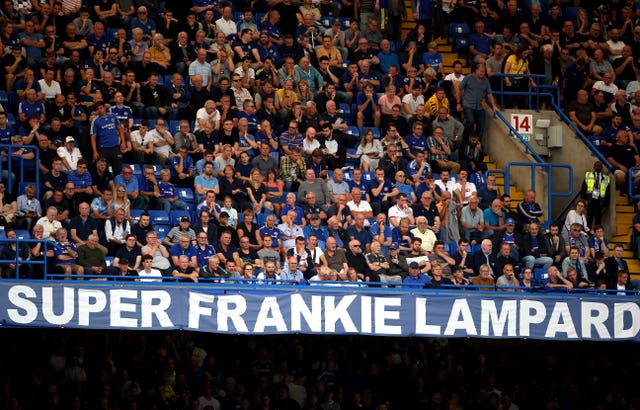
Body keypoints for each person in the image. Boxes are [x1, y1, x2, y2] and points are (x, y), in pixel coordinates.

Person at [455, 64, 497, 139]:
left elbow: (489, 94)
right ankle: (465, 137)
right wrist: (458, 103)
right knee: (470, 121)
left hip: (479, 106)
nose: (482, 73)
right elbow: (459, 88)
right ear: (476, 71)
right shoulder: (468, 78)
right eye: (481, 71)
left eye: (484, 72)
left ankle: (477, 143)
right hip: (468, 105)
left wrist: (494, 106)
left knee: (481, 126)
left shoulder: (486, 81)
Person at [580, 160, 611, 228]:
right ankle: (588, 235)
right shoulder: (588, 175)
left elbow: (607, 193)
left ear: (602, 167)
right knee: (589, 218)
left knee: (598, 220)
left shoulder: (606, 178)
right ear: (594, 167)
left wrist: (605, 205)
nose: (598, 167)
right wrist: (583, 200)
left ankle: (596, 235)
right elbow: (583, 188)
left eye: (599, 166)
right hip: (590, 201)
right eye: (596, 166)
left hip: (600, 202)